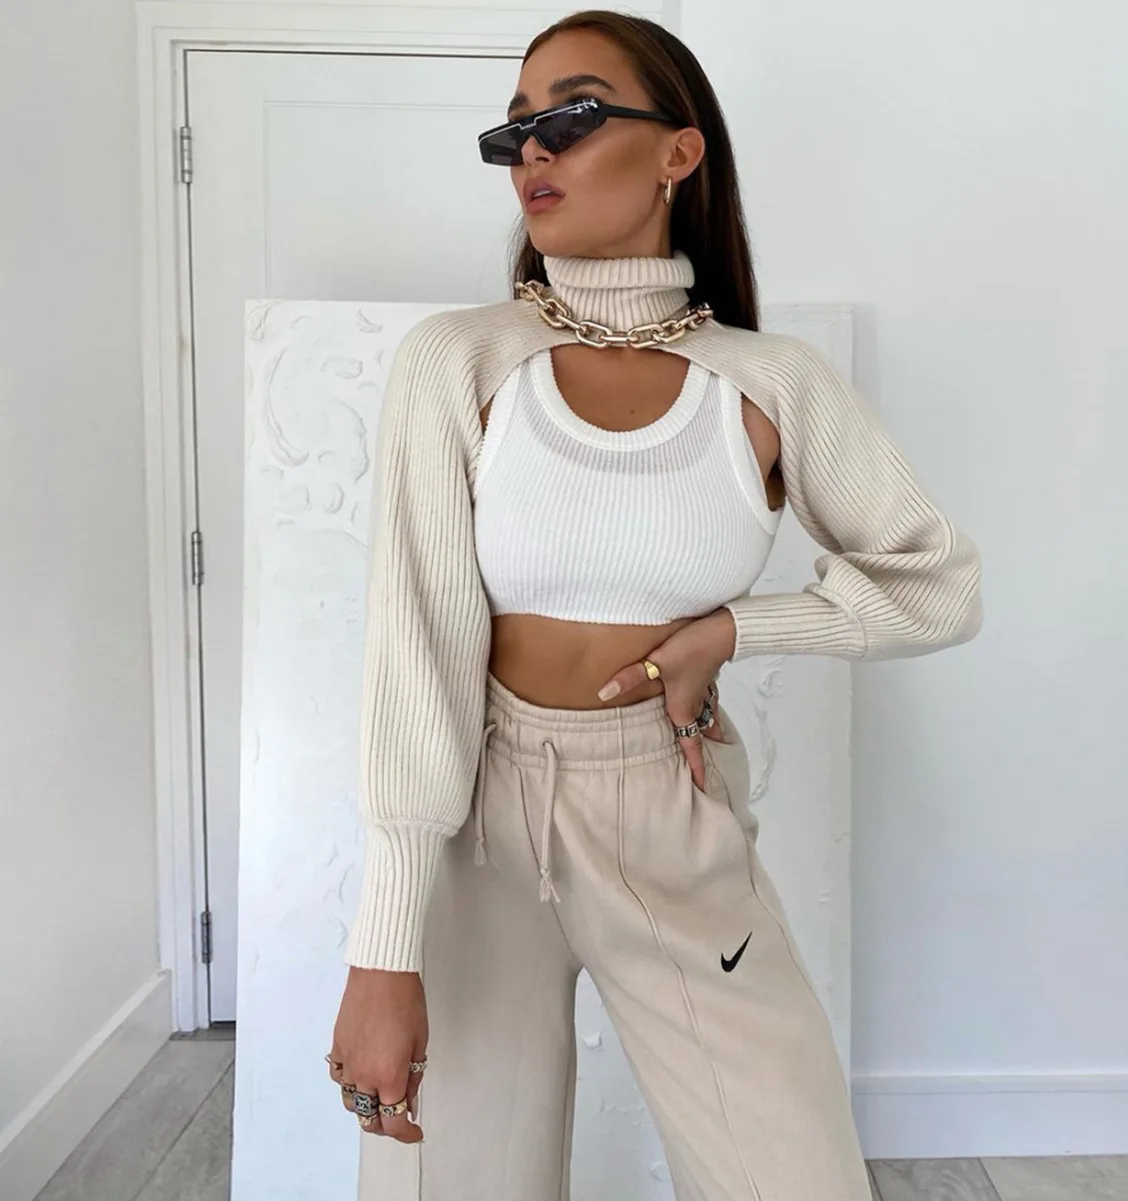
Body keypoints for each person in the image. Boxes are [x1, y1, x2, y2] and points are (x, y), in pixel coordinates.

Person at [328, 9, 982, 1200]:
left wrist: (740, 628)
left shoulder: (770, 382)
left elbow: (936, 584)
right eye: (514, 132)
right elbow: (416, 647)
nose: (533, 150)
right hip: (474, 822)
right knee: (456, 1181)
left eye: (570, 115)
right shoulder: (458, 360)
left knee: (791, 1176)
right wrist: (383, 951)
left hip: (671, 809)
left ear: (679, 152)